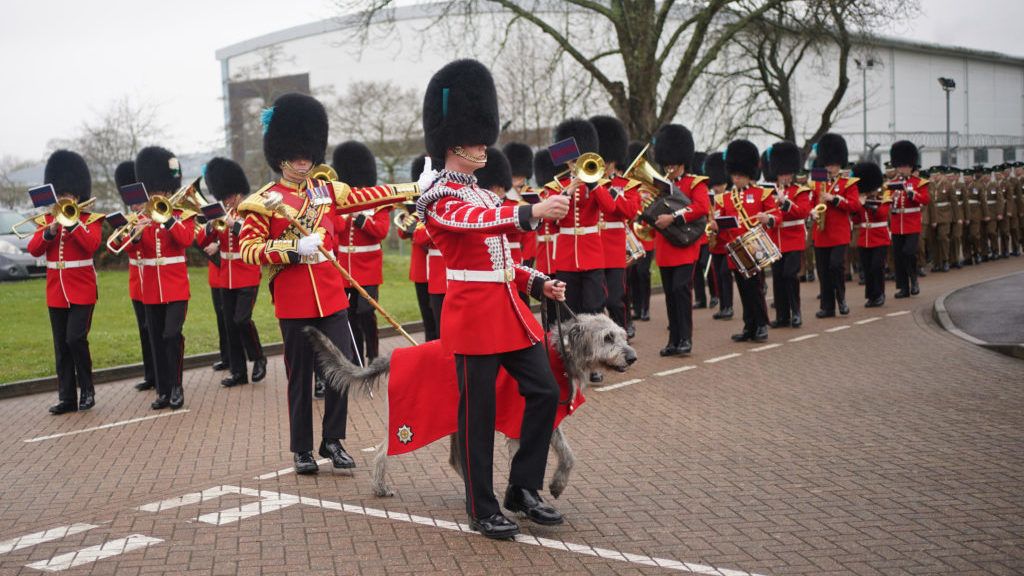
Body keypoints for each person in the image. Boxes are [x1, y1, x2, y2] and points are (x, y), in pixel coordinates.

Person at [418, 59, 571, 540]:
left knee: (545, 391)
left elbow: (498, 255)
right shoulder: (438, 197)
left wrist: (534, 282)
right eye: (477, 137)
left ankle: (521, 489)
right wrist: (531, 212)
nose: (484, 144)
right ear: (453, 142)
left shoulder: (483, 193)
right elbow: (474, 225)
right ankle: (481, 506)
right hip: (472, 316)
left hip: (509, 312)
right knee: (477, 414)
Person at [238, 93, 411, 474]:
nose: (303, 159)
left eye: (308, 153)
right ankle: (301, 449)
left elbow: (372, 195)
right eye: (296, 154)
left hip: (332, 298)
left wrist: (416, 187)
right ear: (280, 154)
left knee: (342, 368)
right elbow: (248, 249)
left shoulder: (327, 192)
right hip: (295, 302)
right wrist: (292, 248)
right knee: (300, 379)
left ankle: (333, 440)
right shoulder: (263, 201)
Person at [27, 150, 103, 415]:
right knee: (61, 346)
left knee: (75, 339)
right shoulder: (47, 220)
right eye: (60, 195)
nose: (63, 199)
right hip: (56, 291)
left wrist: (71, 225)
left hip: (82, 290)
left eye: (67, 195)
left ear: (78, 195)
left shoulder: (89, 220)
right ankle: (67, 397)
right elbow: (34, 249)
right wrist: (49, 231)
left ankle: (88, 390)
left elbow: (91, 245)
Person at [132, 146, 194, 410]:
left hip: (176, 286)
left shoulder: (182, 215)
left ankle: (177, 386)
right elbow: (129, 249)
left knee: (171, 335)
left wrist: (168, 219)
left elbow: (185, 239)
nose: (157, 195)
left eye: (161, 191)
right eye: (154, 191)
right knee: (156, 339)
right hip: (151, 289)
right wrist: (135, 232)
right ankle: (163, 390)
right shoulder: (142, 217)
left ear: (169, 190)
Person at [199, 157, 267, 387]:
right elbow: (201, 239)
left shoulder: (251, 210)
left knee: (241, 320)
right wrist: (210, 227)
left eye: (229, 196)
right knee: (229, 325)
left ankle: (259, 358)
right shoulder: (222, 212)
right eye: (223, 197)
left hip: (247, 272)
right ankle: (238, 372)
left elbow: (254, 234)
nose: (227, 200)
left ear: (238, 193)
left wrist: (233, 225)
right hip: (225, 275)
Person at [652, 123, 709, 356]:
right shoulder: (661, 185)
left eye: (673, 164)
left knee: (681, 291)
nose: (669, 168)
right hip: (665, 248)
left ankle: (685, 338)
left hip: (685, 246)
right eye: (666, 164)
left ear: (683, 161)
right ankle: (673, 340)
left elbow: (701, 207)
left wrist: (674, 217)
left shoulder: (695, 183)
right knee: (670, 295)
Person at [712, 140, 777, 343]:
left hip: (754, 248)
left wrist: (769, 218)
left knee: (755, 290)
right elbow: (721, 224)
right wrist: (715, 227)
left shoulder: (761, 193)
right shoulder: (725, 198)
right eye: (734, 175)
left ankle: (761, 325)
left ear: (748, 174)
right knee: (743, 290)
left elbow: (775, 214)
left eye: (740, 176)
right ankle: (749, 326)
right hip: (735, 250)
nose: (736, 179)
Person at [332, 141, 390, 364]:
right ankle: (356, 358)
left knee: (367, 312)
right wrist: (344, 217)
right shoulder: (341, 199)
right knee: (351, 315)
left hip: (368, 267)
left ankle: (373, 354)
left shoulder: (378, 199)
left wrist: (362, 219)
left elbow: (382, 230)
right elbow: (335, 228)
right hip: (346, 266)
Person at [589, 115, 640, 334]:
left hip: (614, 249)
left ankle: (624, 328)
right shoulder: (588, 183)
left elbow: (629, 211)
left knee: (615, 299)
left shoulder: (626, 185)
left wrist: (610, 191)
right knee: (597, 301)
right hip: (593, 248)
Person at [111, 161, 157, 392]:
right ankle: (150, 375)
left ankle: (160, 374)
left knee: (153, 328)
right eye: (133, 200)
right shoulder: (130, 219)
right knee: (143, 329)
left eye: (139, 200)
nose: (137, 204)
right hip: (136, 281)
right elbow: (125, 249)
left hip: (151, 278)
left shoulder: (152, 218)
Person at [809, 133, 861, 318]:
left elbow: (855, 205)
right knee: (823, 271)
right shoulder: (817, 183)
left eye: (833, 164)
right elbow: (810, 203)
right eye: (828, 164)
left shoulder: (848, 183)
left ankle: (842, 299)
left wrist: (835, 199)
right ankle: (827, 306)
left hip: (839, 233)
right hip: (821, 232)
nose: (830, 168)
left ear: (840, 164)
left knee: (835, 266)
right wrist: (812, 212)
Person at [765, 141, 811, 328]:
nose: (784, 177)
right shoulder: (768, 192)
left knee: (790, 275)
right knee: (777, 278)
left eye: (787, 173)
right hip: (776, 239)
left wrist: (785, 203)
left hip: (794, 238)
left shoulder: (800, 191)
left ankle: (796, 312)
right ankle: (783, 316)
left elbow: (803, 212)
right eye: (781, 173)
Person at [397, 155, 439, 341]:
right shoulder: (417, 205)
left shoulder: (438, 203)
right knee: (427, 318)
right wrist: (410, 224)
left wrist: (416, 232)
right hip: (421, 270)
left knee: (439, 318)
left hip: (438, 269)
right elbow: (403, 232)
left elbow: (426, 236)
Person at [887, 140, 930, 298]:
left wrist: (914, 194)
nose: (902, 169)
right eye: (900, 166)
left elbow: (926, 200)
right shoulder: (892, 184)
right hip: (897, 224)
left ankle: (914, 279)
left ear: (911, 166)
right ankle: (903, 287)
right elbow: (887, 201)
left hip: (912, 223)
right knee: (898, 256)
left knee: (909, 252)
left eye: (905, 166)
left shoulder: (919, 183)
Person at [850, 162, 889, 307]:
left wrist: (867, 205)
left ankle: (880, 294)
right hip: (864, 238)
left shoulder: (883, 198)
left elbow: (881, 214)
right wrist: (856, 207)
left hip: (880, 238)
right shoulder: (861, 198)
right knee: (867, 268)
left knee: (876, 267)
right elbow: (856, 219)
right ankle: (871, 295)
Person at [625, 140, 655, 323]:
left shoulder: (649, 188)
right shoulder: (629, 188)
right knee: (633, 275)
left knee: (644, 273)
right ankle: (636, 306)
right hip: (631, 237)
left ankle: (645, 308)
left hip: (647, 236)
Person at [704, 152, 734, 320]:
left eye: (719, 184)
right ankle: (723, 306)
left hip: (727, 243)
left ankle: (729, 306)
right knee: (717, 275)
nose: (716, 187)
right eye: (714, 184)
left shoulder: (730, 197)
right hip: (715, 244)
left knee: (724, 273)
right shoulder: (711, 199)